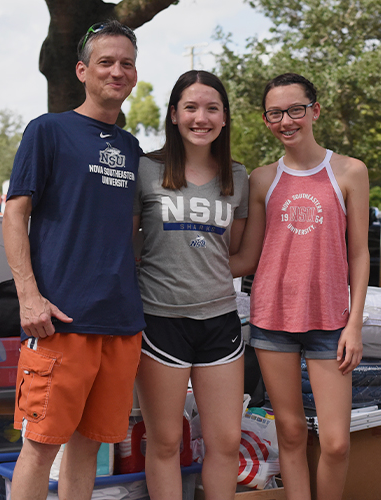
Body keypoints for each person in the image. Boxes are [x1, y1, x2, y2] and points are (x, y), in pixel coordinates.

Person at [1, 20, 144, 500]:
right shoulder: (49, 131)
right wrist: (29, 296)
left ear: (135, 74)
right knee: (41, 446)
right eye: (106, 61)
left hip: (120, 322)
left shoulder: (130, 148)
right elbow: (14, 215)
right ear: (83, 70)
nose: (117, 71)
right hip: (59, 320)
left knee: (90, 447)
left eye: (126, 63)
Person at [230, 73, 370, 500]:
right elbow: (249, 257)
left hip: (331, 320)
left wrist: (355, 325)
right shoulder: (261, 178)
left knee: (336, 441)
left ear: (315, 110)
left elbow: (360, 253)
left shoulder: (349, 171)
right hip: (272, 317)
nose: (286, 120)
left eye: (295, 110)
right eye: (275, 113)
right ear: (266, 119)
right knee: (289, 432)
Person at [133, 70, 248, 499]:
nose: (202, 117)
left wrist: (201, 273)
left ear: (224, 118)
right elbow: (127, 247)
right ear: (174, 114)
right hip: (160, 322)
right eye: (191, 107)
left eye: (212, 108)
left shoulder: (238, 176)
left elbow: (235, 254)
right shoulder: (146, 168)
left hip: (220, 322)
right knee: (165, 442)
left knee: (226, 442)